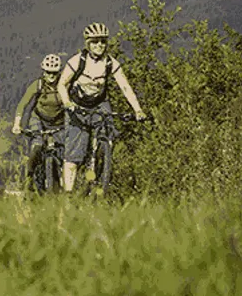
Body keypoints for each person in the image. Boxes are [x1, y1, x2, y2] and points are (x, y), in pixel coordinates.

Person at [57, 22, 147, 193]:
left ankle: (101, 162)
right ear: (88, 43)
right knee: (73, 156)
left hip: (99, 103)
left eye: (103, 41)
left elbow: (125, 87)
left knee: (109, 132)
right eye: (95, 41)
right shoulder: (77, 61)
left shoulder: (110, 63)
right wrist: (67, 103)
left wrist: (137, 109)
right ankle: (67, 195)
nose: (99, 45)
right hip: (77, 106)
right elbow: (62, 84)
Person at [11, 54, 67, 184]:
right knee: (37, 145)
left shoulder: (65, 85)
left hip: (59, 122)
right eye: (48, 73)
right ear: (43, 71)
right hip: (39, 119)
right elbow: (22, 104)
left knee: (64, 153)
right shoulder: (38, 85)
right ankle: (29, 176)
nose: (51, 76)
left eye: (54, 73)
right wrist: (17, 124)